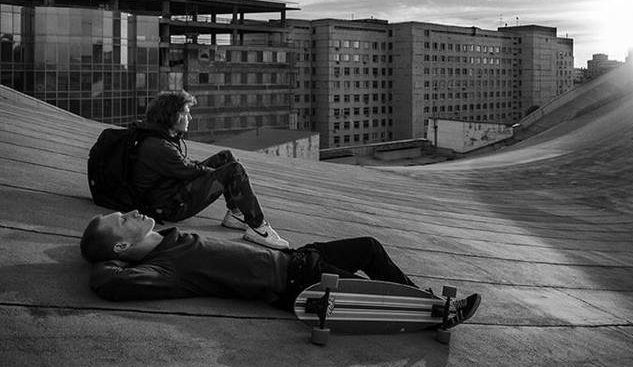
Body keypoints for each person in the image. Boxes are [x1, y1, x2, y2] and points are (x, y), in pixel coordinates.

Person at [79, 210, 482, 326]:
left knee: (369, 248)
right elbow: (110, 283)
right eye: (123, 220)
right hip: (292, 283)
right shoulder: (163, 268)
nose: (132, 212)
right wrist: (108, 259)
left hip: (298, 258)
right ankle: (438, 312)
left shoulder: (170, 238)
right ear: (121, 244)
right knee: (370, 293)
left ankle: (426, 301)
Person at [131, 90, 288, 249]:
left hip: (170, 191)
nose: (190, 118)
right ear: (172, 116)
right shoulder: (158, 146)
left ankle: (236, 214)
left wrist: (217, 170)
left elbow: (183, 166)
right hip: (169, 207)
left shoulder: (160, 136)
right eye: (186, 113)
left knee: (225, 157)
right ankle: (258, 227)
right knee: (233, 170)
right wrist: (222, 175)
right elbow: (189, 170)